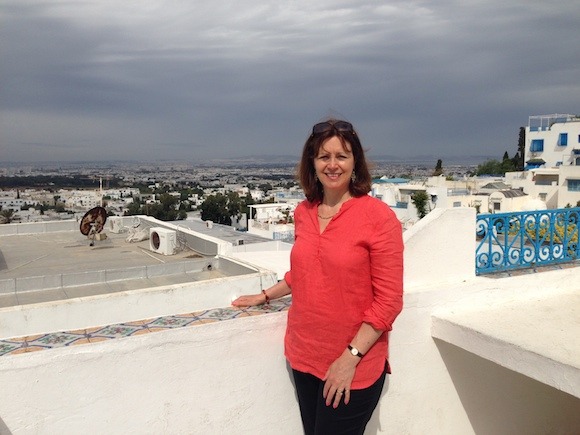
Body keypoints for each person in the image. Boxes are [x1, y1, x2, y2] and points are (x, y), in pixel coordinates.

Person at [232, 119, 404, 435]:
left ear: (356, 163)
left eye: (342, 156)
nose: (333, 164)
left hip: (353, 364)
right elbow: (304, 272)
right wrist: (265, 295)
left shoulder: (379, 219)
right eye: (324, 156)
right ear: (312, 163)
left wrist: (349, 359)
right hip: (304, 355)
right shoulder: (304, 212)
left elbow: (389, 302)